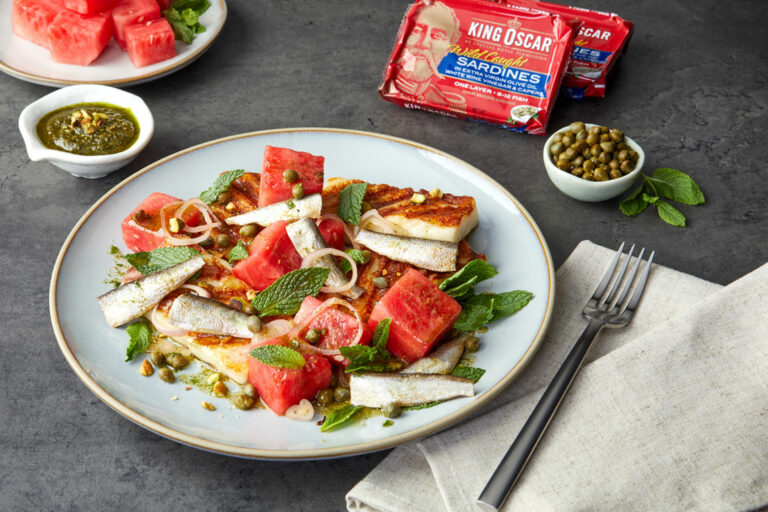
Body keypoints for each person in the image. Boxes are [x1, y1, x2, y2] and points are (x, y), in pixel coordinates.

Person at [391, 0, 467, 114]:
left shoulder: (451, 101)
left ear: (449, 49)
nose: (424, 43)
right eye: (417, 31)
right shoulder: (391, 85)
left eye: (437, 36)